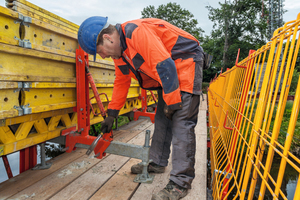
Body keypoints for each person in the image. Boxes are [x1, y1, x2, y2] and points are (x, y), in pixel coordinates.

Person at [78, 16, 205, 200]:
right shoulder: (121, 52)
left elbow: (164, 64)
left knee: (181, 122)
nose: (104, 56)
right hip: (168, 72)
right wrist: (112, 114)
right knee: (162, 118)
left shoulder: (135, 32)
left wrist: (172, 101)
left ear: (107, 38)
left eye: (101, 52)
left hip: (186, 63)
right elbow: (122, 81)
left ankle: (180, 183)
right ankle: (158, 162)